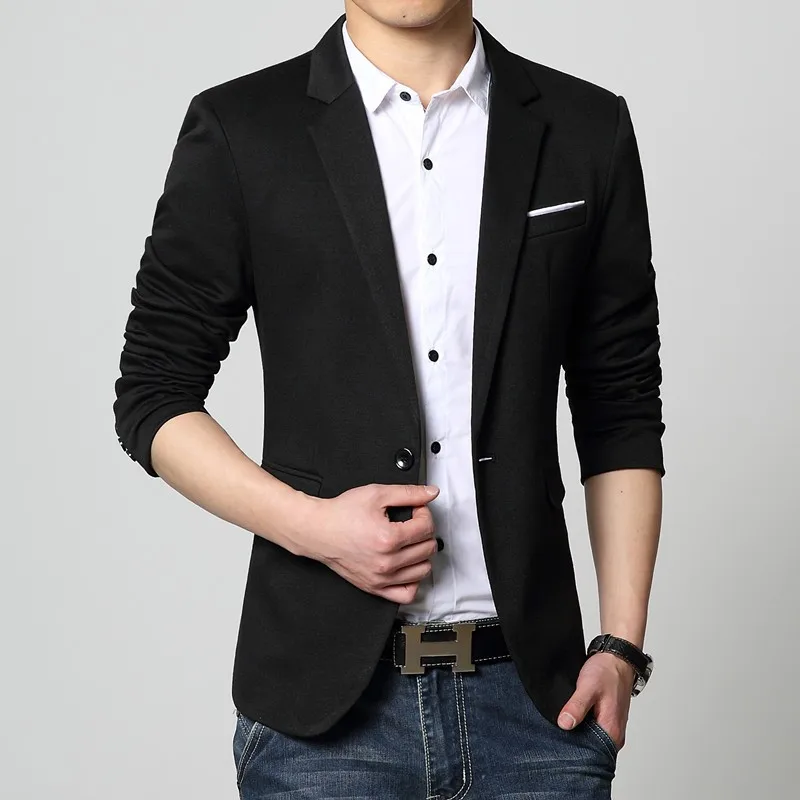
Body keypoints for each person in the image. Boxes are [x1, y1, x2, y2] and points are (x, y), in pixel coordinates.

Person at [113, 1, 665, 797]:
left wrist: (620, 646)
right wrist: (312, 527)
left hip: (537, 711)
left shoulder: (586, 127)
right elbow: (154, 391)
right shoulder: (244, 128)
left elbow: (620, 406)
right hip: (322, 725)